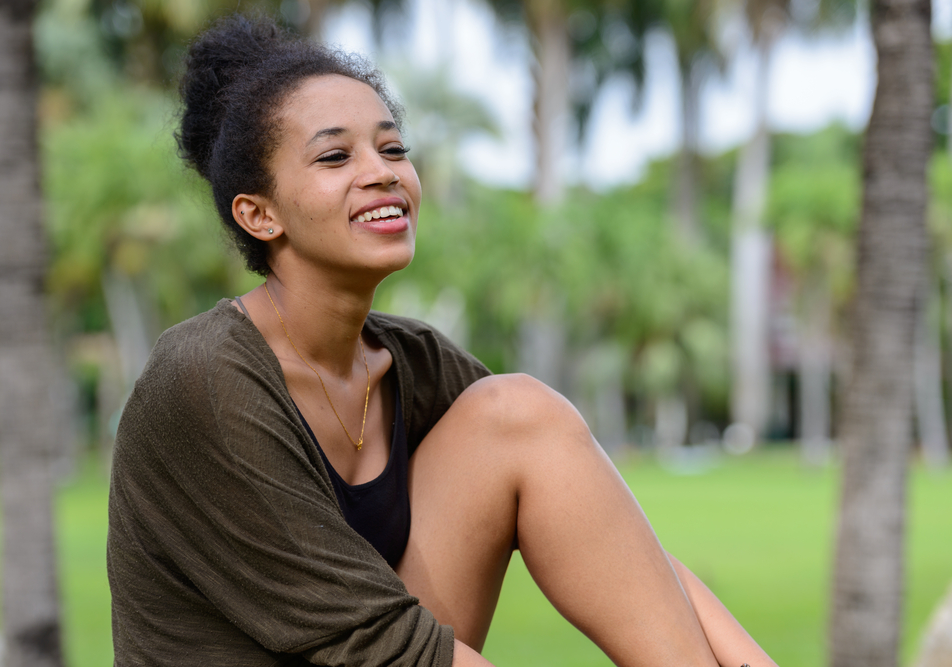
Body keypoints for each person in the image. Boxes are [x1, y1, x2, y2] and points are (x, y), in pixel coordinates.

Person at [106, 14, 778, 667]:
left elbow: (620, 544)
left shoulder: (412, 363)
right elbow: (378, 645)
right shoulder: (204, 379)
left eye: (393, 148)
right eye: (336, 155)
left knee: (518, 415)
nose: (382, 172)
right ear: (259, 214)